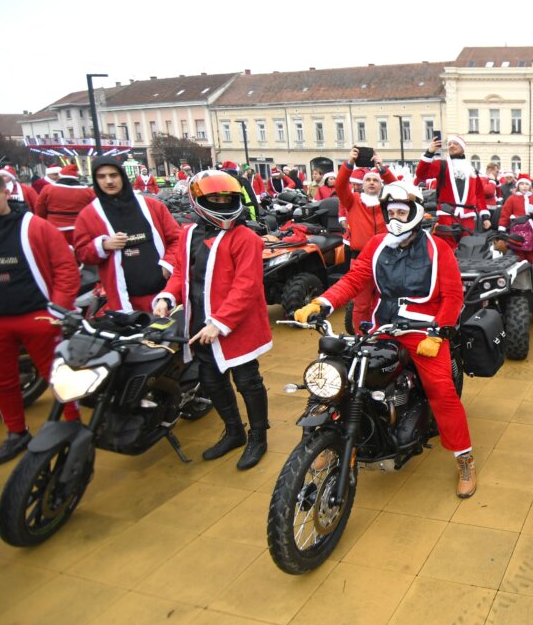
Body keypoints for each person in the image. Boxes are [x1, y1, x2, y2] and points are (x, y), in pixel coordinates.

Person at [292, 181, 477, 497]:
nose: (395, 218)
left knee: (441, 390)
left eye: (402, 212)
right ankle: (329, 437)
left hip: (424, 331)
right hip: (381, 327)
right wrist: (322, 303)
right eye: (390, 211)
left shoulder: (438, 248)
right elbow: (354, 279)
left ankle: (464, 458)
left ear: (415, 213)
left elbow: (453, 295)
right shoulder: (377, 244)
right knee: (341, 372)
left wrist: (439, 330)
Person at [152, 171, 272, 470]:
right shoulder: (189, 233)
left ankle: (258, 436)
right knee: (212, 381)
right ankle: (234, 431)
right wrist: (167, 297)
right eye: (214, 199)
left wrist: (220, 322)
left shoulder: (246, 238)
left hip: (236, 326)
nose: (222, 203)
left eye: (226, 198)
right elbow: (181, 272)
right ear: (200, 201)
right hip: (199, 324)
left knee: (248, 382)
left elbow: (247, 286)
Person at [0, 173, 81, 463]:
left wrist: (57, 310)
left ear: (4, 193)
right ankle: (16, 433)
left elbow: (66, 269)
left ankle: (73, 427)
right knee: (2, 381)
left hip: (38, 316)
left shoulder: (35, 226)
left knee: (59, 376)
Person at [73, 157, 180, 313]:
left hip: (162, 295)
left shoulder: (152, 206)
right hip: (123, 299)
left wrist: (168, 263)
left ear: (122, 176)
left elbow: (178, 239)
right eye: (102, 177)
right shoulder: (89, 214)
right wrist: (103, 246)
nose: (109, 181)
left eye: (113, 175)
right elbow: (82, 253)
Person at [335, 147, 398, 331]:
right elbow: (339, 185)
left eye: (375, 180)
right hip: (360, 261)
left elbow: (397, 186)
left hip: (386, 261)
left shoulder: (388, 202)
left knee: (383, 303)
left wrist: (382, 168)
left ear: (380, 185)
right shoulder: (352, 200)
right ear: (362, 184)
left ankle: (380, 335)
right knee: (361, 305)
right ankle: (361, 338)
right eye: (368, 180)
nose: (371, 183)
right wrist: (349, 163)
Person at [415, 134, 487, 245]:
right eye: (449, 144)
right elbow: (421, 174)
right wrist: (429, 153)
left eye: (456, 143)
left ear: (463, 147)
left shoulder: (472, 170)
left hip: (468, 217)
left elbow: (479, 195)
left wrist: (485, 216)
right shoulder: (442, 165)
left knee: (467, 250)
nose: (452, 146)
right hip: (446, 215)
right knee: (448, 248)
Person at [497, 175, 533, 263]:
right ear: (518, 186)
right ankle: (521, 273)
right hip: (516, 231)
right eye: (522, 184)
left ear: (530, 186)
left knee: (531, 255)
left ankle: (531, 273)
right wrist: (502, 228)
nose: (524, 186)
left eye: (527, 184)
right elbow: (505, 214)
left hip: (532, 231)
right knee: (519, 255)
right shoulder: (511, 199)